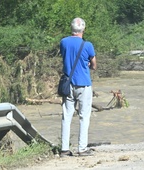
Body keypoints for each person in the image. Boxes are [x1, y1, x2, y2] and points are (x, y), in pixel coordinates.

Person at [59, 17, 97, 157]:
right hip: (84, 84)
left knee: (66, 116)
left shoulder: (63, 42)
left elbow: (65, 57)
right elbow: (94, 65)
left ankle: (64, 149)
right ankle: (82, 148)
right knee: (84, 116)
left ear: (71, 28)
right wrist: (87, 64)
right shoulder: (88, 45)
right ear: (83, 29)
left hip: (68, 84)